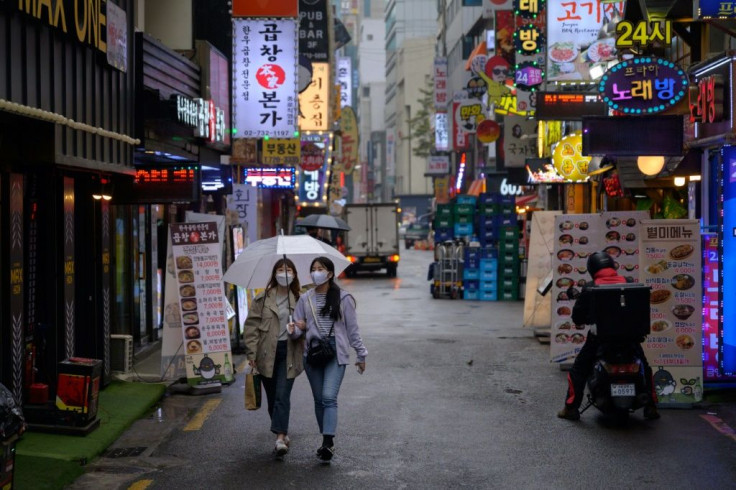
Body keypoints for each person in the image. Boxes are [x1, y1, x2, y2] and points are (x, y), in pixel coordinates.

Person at [557, 251, 660, 421]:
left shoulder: (590, 287)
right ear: (612, 265)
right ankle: (651, 407)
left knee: (578, 370)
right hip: (630, 339)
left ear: (592, 269)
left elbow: (578, 318)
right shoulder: (628, 282)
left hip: (600, 340)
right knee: (645, 367)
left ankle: (571, 408)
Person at [288, 256, 367, 463]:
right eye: (313, 269)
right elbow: (297, 330)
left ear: (330, 273)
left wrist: (361, 354)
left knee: (328, 397)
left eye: (320, 268)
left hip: (335, 352)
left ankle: (328, 442)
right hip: (313, 354)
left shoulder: (343, 298)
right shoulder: (305, 298)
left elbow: (353, 331)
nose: (316, 272)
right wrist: (295, 329)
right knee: (318, 400)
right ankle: (326, 441)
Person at [243, 258, 304, 457]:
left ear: (294, 274)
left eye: (288, 270)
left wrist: (300, 327)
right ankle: (282, 432)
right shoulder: (263, 300)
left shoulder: (301, 298)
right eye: (280, 269)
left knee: (282, 395)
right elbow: (251, 327)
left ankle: (279, 437)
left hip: (290, 353)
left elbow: (310, 324)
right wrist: (251, 354)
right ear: (274, 273)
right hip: (266, 354)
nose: (284, 273)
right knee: (272, 399)